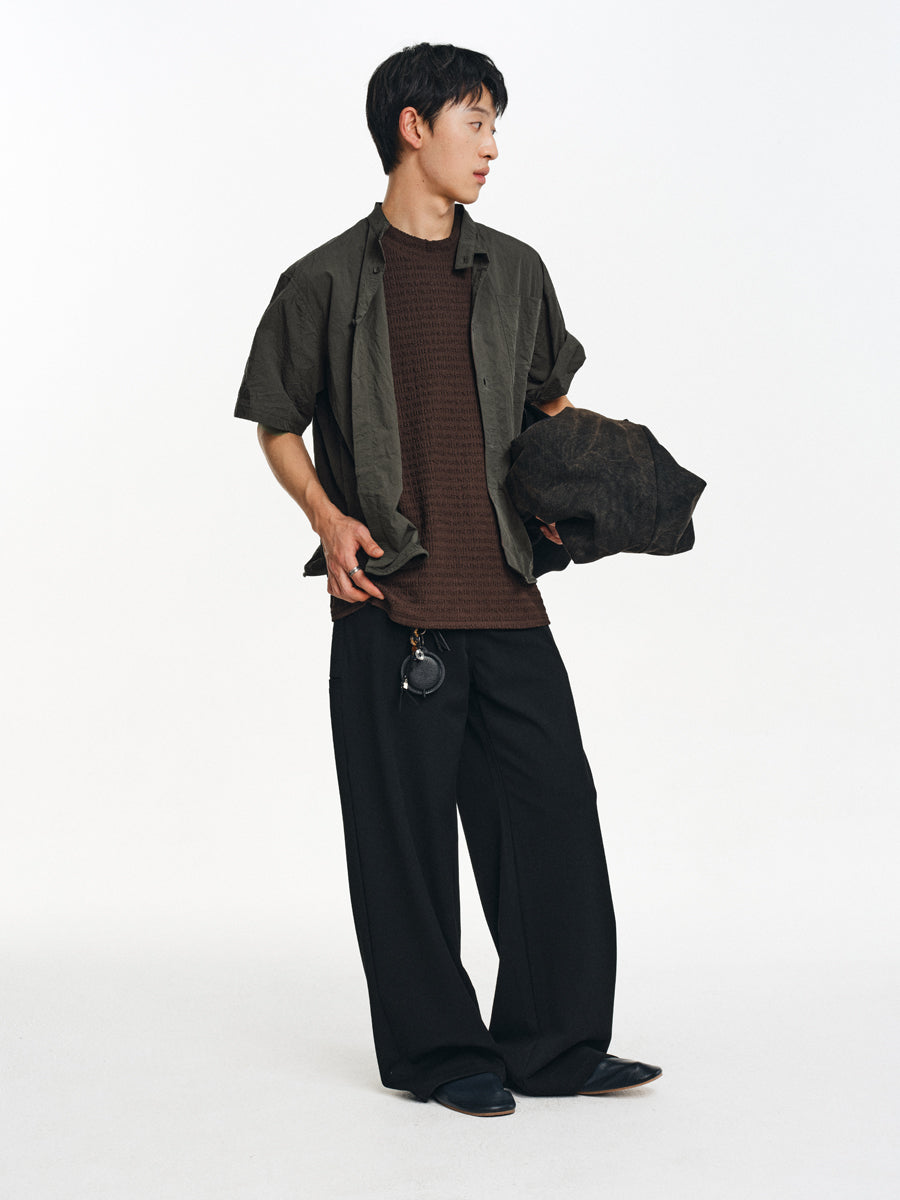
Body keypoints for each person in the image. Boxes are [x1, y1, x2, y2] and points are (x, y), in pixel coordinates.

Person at [234, 42, 661, 1118]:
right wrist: (328, 519)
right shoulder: (322, 280)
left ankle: (556, 1045)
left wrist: (594, 487)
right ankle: (440, 1053)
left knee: (554, 821)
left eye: (495, 125)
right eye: (477, 122)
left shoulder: (515, 269)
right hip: (392, 604)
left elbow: (549, 405)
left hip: (507, 594)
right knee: (403, 843)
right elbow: (277, 423)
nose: (493, 147)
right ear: (413, 127)